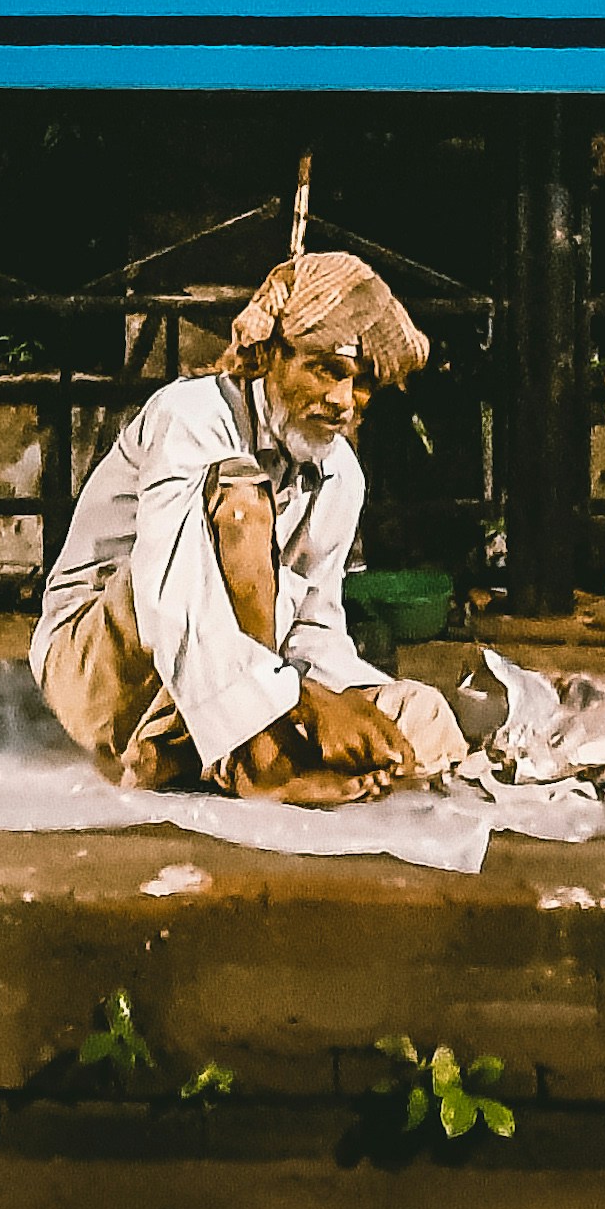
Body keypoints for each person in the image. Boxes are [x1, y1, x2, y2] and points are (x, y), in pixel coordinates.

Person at [33, 252, 473, 803]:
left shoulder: (341, 475)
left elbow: (314, 625)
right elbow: (166, 603)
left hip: (229, 678)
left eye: (362, 385)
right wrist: (303, 701)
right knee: (243, 501)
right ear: (270, 356)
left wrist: (357, 700)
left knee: (419, 720)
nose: (342, 402)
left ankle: (191, 748)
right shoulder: (192, 416)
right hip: (102, 665)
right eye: (326, 369)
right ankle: (260, 760)